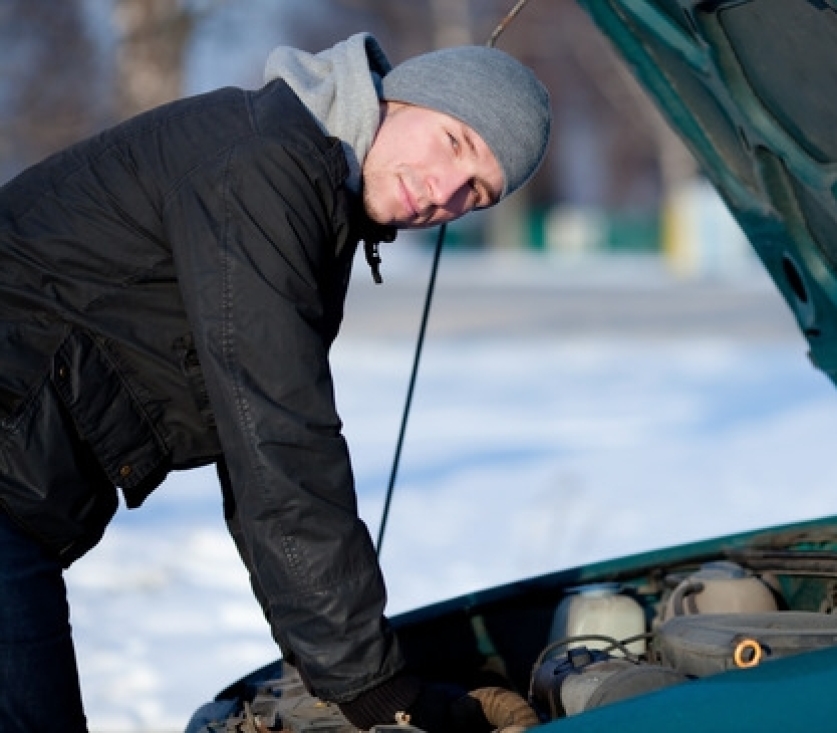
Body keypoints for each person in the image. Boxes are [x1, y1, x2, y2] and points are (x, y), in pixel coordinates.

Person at [0, 30, 551, 732]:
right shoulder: (265, 166)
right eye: (453, 142)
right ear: (402, 98)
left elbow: (254, 457)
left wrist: (328, 671)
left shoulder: (308, 184)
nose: (443, 193)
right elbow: (281, 441)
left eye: (475, 193)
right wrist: (376, 689)